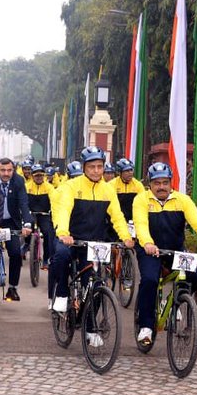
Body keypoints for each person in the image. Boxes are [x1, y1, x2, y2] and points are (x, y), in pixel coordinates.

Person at [133, 162, 197, 346]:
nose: (161, 187)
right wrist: (148, 243)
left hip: (175, 250)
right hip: (150, 250)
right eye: (157, 183)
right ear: (150, 184)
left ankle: (176, 300)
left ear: (171, 183)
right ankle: (146, 326)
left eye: (165, 182)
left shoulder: (183, 200)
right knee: (150, 280)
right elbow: (141, 225)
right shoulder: (141, 200)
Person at [51, 147, 133, 348]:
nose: (96, 171)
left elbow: (117, 217)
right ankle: (62, 293)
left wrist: (126, 237)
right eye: (92, 167)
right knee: (60, 256)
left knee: (96, 285)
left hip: (94, 243)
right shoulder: (71, 186)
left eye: (99, 166)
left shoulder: (108, 190)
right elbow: (64, 210)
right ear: (84, 167)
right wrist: (63, 233)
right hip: (71, 239)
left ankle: (90, 329)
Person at [0, 158, 33, 301]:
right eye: (2, 170)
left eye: (9, 170)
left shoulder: (18, 181)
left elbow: (23, 203)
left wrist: (27, 223)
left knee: (16, 253)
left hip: (10, 222)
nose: (6, 173)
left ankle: (12, 288)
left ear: (13, 170)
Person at [26, 163, 57, 269]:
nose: (39, 177)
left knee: (48, 233)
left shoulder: (49, 188)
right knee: (26, 230)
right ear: (32, 176)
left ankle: (45, 259)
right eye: (36, 175)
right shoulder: (27, 187)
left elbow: (54, 202)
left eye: (41, 175)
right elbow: (23, 201)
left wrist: (53, 213)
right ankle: (27, 245)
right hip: (31, 214)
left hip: (44, 214)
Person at [110, 158, 145, 226]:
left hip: (133, 221)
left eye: (131, 170)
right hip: (116, 221)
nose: (130, 173)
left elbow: (142, 204)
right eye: (127, 171)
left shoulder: (138, 185)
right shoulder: (112, 184)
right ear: (120, 172)